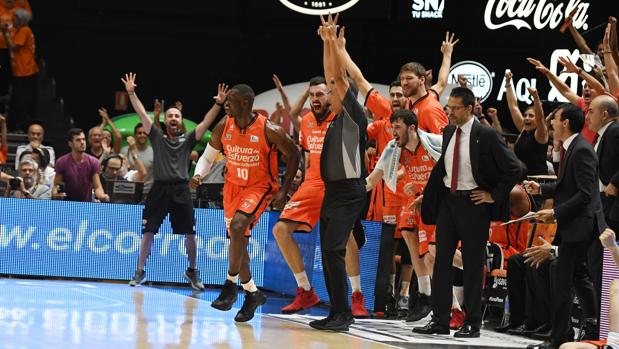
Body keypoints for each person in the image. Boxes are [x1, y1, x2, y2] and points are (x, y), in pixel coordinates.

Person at [414, 87, 520, 338]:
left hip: (474, 203)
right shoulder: (449, 131)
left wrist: (493, 195)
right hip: (449, 203)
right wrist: (428, 196)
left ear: (470, 108)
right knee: (441, 261)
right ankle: (440, 320)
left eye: (454, 108)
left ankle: (472, 322)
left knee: (472, 265)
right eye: (448, 107)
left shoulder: (486, 135)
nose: (449, 112)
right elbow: (444, 169)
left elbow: (514, 168)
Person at [193, 83, 299, 322]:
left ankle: (230, 285)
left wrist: (283, 190)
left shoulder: (269, 129)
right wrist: (198, 175)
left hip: (259, 187)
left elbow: (294, 154)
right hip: (232, 188)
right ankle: (252, 293)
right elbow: (207, 157)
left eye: (230, 99)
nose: (226, 103)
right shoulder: (224, 126)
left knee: (238, 227)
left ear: (245, 103)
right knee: (238, 242)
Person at [270, 76, 368, 318]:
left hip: (338, 184)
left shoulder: (341, 118)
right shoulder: (305, 122)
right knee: (280, 230)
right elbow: (308, 157)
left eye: (320, 94)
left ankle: (357, 295)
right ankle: (305, 290)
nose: (315, 99)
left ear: (331, 96)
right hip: (312, 184)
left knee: (346, 239)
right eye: (312, 95)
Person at [122, 73, 225, 291]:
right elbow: (141, 113)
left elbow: (207, 121)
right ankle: (140, 271)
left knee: (190, 233)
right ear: (165, 120)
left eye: (177, 116)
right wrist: (131, 93)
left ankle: (192, 270)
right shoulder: (156, 136)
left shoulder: (188, 139)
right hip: (158, 190)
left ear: (181, 120)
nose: (174, 119)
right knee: (148, 232)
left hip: (181, 190)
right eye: (170, 116)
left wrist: (218, 104)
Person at [304, 14, 368, 332]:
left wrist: (332, 43)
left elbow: (335, 78)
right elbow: (332, 80)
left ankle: (343, 314)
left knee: (332, 250)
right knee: (328, 252)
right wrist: (327, 42)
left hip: (349, 192)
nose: (330, 91)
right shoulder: (338, 117)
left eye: (338, 89)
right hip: (334, 193)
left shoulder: (354, 115)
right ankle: (337, 311)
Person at [524, 103, 604, 349]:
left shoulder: (581, 150)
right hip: (577, 224)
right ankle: (592, 324)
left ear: (566, 122)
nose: (551, 123)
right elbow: (568, 185)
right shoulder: (573, 148)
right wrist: (544, 189)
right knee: (578, 277)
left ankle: (558, 338)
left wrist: (556, 212)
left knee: (562, 279)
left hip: (581, 226)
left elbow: (584, 194)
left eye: (555, 119)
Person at [365, 108, 439, 322]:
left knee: (433, 254)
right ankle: (425, 294)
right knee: (407, 232)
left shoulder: (434, 143)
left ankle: (451, 299)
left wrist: (425, 193)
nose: (392, 132)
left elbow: (449, 173)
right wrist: (351, 193)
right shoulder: (394, 148)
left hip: (438, 201)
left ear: (412, 128)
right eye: (391, 127)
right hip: (416, 200)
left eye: (397, 128)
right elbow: (373, 178)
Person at [505, 72, 549, 176]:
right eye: (525, 115)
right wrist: (508, 83)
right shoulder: (524, 129)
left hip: (538, 182)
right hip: (521, 178)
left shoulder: (541, 134)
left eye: (531, 116)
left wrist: (536, 98)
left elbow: (540, 119)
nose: (526, 118)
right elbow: (513, 107)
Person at [1, 7, 37, 131]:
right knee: (16, 101)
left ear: (20, 20)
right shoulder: (20, 31)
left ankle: (23, 127)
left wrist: (5, 32)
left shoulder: (24, 30)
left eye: (14, 19)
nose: (12, 21)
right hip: (20, 72)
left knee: (21, 102)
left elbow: (13, 47)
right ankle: (14, 125)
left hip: (25, 71)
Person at [53, 129, 108, 202]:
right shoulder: (62, 162)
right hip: (67, 203)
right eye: (78, 140)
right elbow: (56, 185)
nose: (82, 142)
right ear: (70, 143)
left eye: (83, 139)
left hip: (86, 204)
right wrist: (55, 194)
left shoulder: (93, 162)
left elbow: (97, 187)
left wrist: (102, 196)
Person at [121, 123, 154, 195]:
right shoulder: (125, 150)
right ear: (135, 135)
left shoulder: (154, 152)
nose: (142, 135)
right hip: (129, 191)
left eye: (144, 133)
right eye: (139, 133)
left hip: (148, 192)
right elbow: (122, 170)